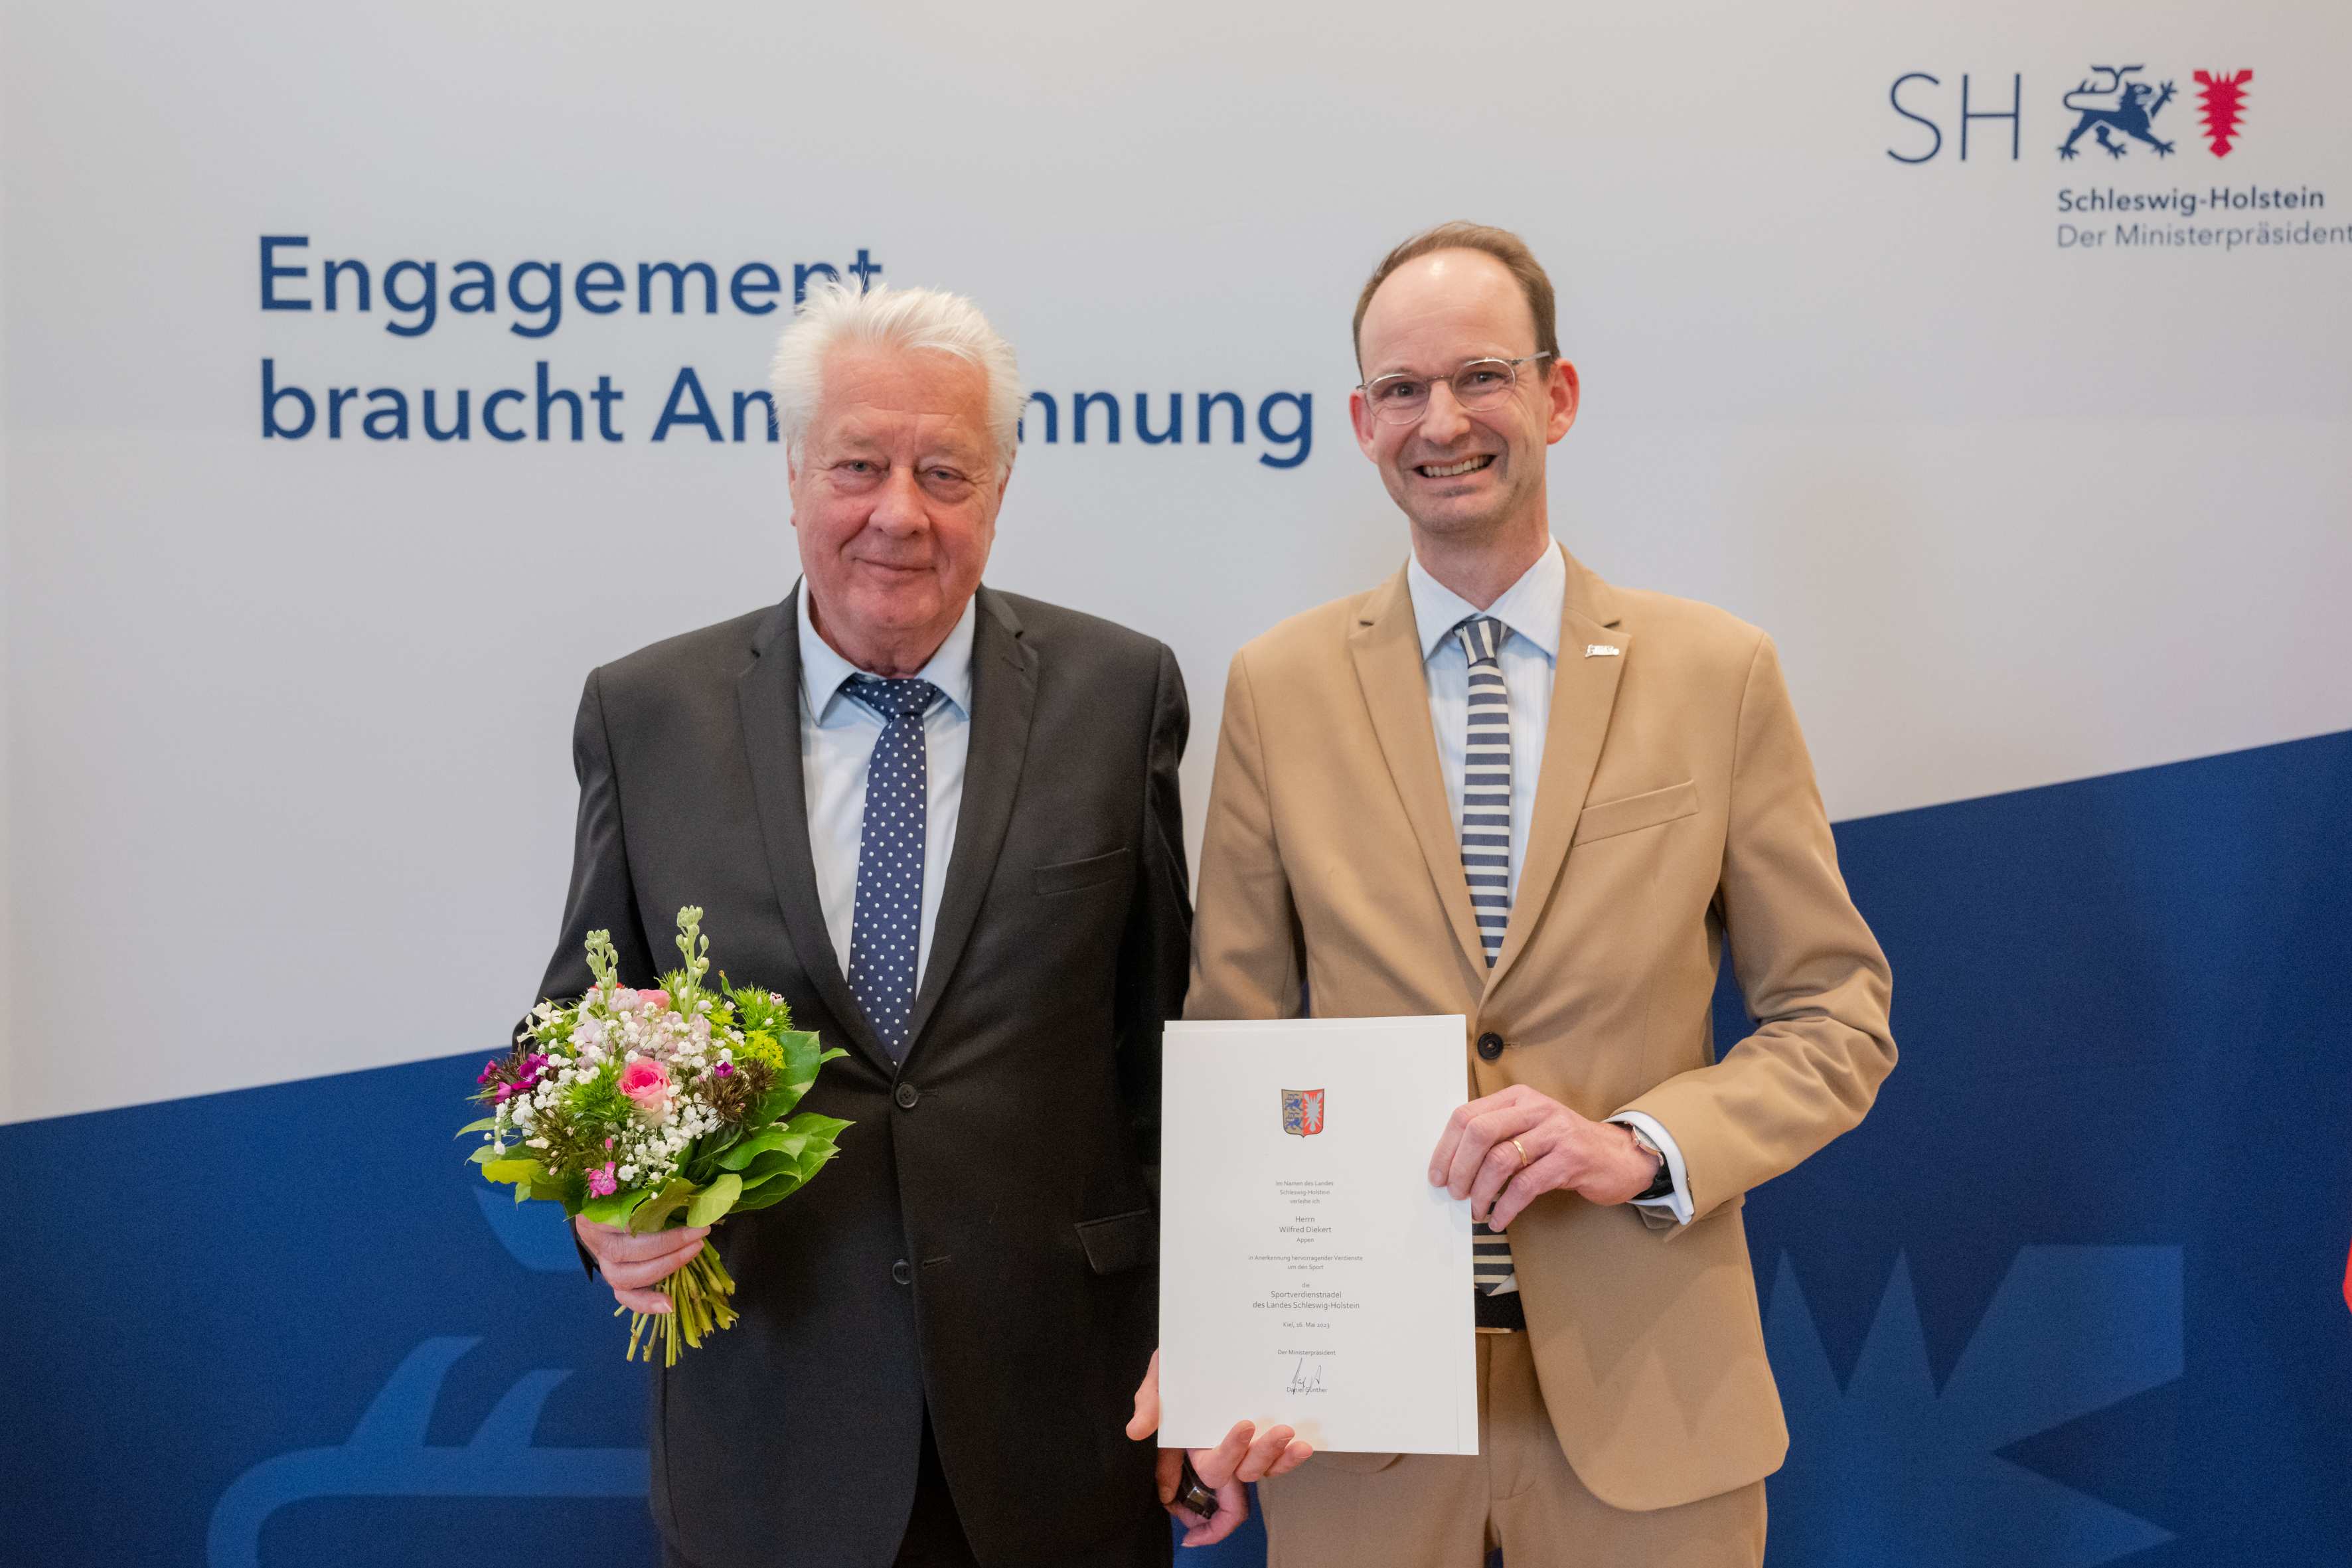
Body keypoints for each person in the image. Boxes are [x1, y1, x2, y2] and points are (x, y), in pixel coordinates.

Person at [1143, 222, 1898, 1566]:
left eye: (1480, 377)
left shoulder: (1714, 672)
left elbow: (1835, 1017)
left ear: (1555, 394)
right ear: (1360, 422)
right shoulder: (1276, 687)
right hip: (1357, 1416)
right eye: (1401, 390)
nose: (1442, 420)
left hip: (1652, 1403)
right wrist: (1221, 1360)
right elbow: (1235, 1056)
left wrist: (1640, 1143)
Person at [539, 279, 1193, 1568]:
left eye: (944, 470)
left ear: (999, 488)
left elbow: (1170, 1051)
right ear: (792, 476)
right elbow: (578, 1016)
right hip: (769, 1424)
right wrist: (599, 1202)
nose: (898, 511)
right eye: (857, 464)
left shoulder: (1121, 695)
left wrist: (1213, 1342)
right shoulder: (646, 711)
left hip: (1059, 1426)